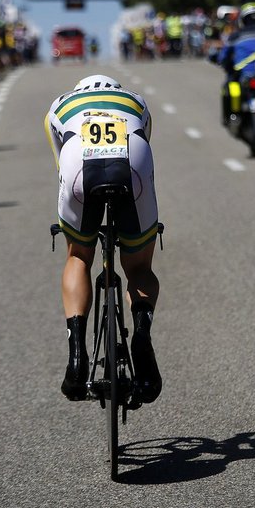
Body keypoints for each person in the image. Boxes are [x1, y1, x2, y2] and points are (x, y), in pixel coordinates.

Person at [44, 75, 162, 403]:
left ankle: (77, 355)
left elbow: (60, 163)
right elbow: (145, 142)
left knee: (79, 257)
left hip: (78, 165)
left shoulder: (60, 104)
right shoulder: (136, 100)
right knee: (139, 265)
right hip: (133, 163)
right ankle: (141, 335)